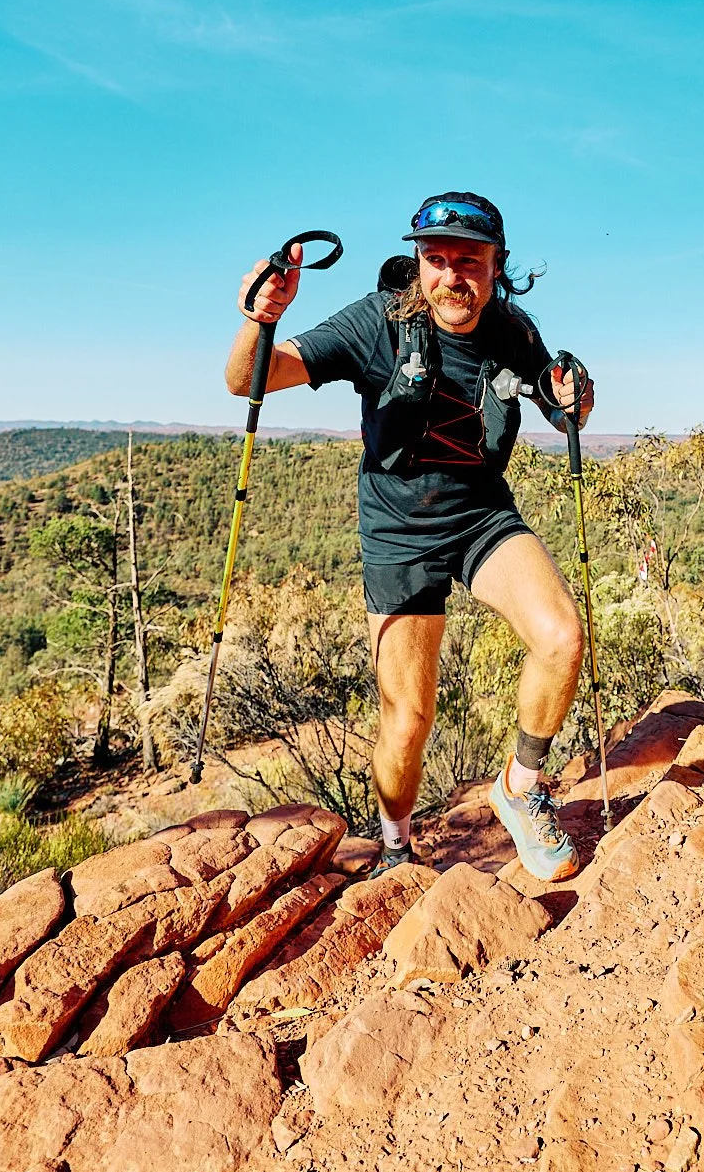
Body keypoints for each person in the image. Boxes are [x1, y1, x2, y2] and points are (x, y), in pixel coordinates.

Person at [225, 192, 594, 881]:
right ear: (419, 264)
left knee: (562, 636)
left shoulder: (512, 330)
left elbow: (555, 400)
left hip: (482, 515)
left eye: (469, 261)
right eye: (437, 260)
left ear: (496, 265)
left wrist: (574, 396)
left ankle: (520, 787)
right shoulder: (379, 324)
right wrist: (259, 318)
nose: (452, 276)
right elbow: (249, 378)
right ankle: (395, 845)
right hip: (398, 535)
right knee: (409, 718)